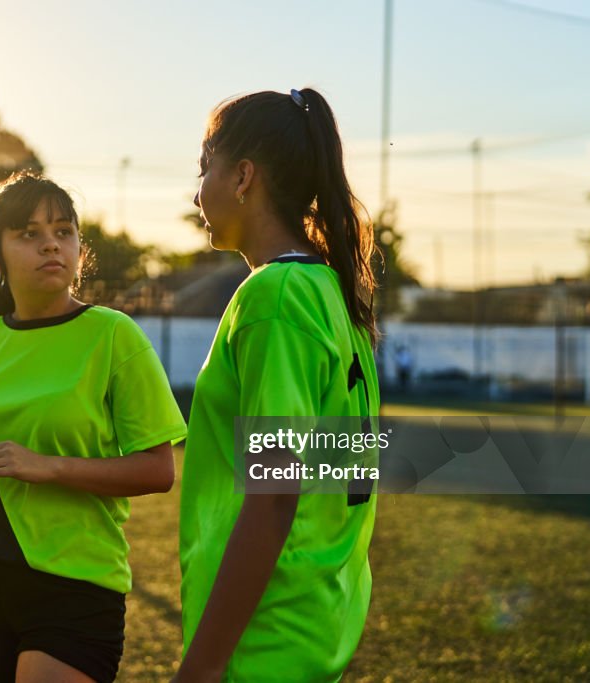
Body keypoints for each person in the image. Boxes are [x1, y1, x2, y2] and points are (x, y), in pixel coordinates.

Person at [0, 172, 186, 683]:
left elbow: (157, 471)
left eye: (63, 230)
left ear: (78, 249)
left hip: (75, 583)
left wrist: (47, 467)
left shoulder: (113, 334)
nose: (51, 243)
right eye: (29, 232)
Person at [175, 88, 381, 682]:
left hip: (263, 643)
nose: (197, 191)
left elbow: (273, 496)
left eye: (204, 167)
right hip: (311, 627)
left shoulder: (277, 296)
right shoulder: (332, 293)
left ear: (243, 176)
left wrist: (202, 668)